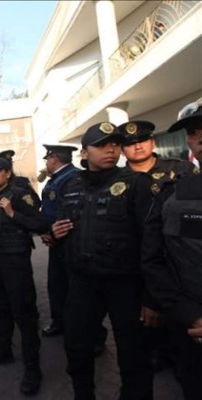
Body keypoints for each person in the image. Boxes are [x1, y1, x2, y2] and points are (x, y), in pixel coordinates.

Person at [52, 122, 156, 400]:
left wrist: (151, 297)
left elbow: (152, 243)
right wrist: (54, 233)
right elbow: (62, 226)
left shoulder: (136, 184)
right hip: (83, 283)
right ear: (84, 152)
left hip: (125, 284)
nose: (110, 149)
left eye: (114, 144)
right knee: (76, 346)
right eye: (101, 145)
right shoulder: (71, 185)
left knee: (134, 354)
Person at [119, 120, 196, 372]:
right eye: (129, 143)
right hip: (138, 260)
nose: (137, 146)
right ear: (122, 150)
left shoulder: (180, 171)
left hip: (179, 261)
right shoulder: (117, 181)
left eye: (142, 140)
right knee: (146, 319)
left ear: (152, 142)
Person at [142, 99, 201, 400]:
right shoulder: (174, 195)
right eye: (194, 131)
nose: (201, 137)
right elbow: (155, 259)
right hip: (192, 329)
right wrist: (190, 314)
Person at [0, 157, 49, 395]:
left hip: (14, 263)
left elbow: (40, 225)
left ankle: (32, 368)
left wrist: (12, 213)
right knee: (1, 308)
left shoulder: (19, 194)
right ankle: (3, 349)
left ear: (8, 173)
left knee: (24, 314)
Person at [39, 145, 79, 338]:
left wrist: (52, 233)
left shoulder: (73, 177)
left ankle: (90, 333)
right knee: (56, 285)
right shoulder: (56, 179)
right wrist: (46, 232)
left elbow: (70, 212)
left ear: (54, 158)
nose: (46, 163)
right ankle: (60, 322)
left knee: (75, 289)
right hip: (55, 241)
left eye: (47, 159)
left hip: (70, 242)